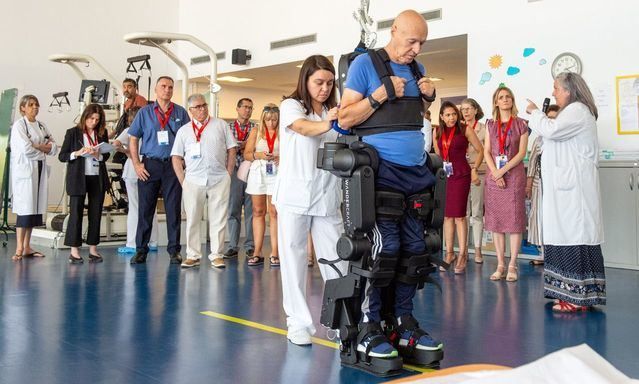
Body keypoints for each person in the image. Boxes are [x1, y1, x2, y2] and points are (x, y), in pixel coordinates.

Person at [338, 10, 443, 361]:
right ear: (394, 31)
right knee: (384, 250)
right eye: (411, 40)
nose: (416, 49)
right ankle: (368, 327)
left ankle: (401, 321)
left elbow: (413, 119)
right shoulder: (365, 65)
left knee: (415, 250)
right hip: (379, 174)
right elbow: (344, 118)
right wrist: (379, 95)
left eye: (422, 43)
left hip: (415, 174)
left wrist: (429, 96)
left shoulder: (418, 70)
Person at [272, 54, 348, 346]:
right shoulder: (291, 106)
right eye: (319, 82)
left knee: (337, 259)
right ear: (305, 80)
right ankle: (298, 323)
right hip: (294, 196)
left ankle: (343, 324)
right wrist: (331, 121)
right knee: (293, 258)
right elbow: (304, 129)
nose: (325, 88)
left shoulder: (334, 110)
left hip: (327, 195)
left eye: (330, 83)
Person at [526, 72, 606, 312]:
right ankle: (582, 295)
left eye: (556, 88)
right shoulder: (577, 112)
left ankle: (574, 298)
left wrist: (534, 112)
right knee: (571, 237)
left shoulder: (577, 111)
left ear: (568, 90)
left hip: (573, 195)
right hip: (568, 190)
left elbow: (551, 130)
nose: (553, 93)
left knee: (572, 238)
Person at [128, 76, 190, 265]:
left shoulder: (180, 112)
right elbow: (133, 139)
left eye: (170, 87)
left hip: (173, 165)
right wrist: (137, 164)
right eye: (163, 86)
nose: (167, 90)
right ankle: (141, 250)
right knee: (146, 209)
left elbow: (189, 137)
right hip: (150, 164)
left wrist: (185, 161)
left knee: (173, 209)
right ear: (156, 89)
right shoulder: (145, 113)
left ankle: (174, 251)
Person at [172, 94, 237, 269]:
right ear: (190, 110)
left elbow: (232, 149)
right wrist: (183, 181)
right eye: (198, 107)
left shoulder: (220, 125)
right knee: (192, 218)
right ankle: (193, 255)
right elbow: (176, 157)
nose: (202, 109)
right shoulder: (184, 130)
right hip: (193, 180)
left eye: (204, 105)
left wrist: (228, 174)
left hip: (218, 178)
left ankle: (217, 254)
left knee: (219, 217)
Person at [483, 86, 529, 282]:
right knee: (496, 223)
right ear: (496, 102)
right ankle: (500, 264)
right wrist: (495, 172)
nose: (505, 100)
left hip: (514, 177)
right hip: (494, 178)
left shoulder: (522, 124)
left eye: (508, 97)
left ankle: (512, 264)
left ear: (512, 100)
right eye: (501, 97)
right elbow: (486, 151)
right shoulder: (490, 124)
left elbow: (521, 153)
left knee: (515, 222)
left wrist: (503, 171)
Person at [433, 101, 483, 274]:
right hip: (445, 177)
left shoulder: (465, 129)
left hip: (461, 175)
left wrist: (475, 168)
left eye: (454, 114)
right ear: (441, 117)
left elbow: (480, 150)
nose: (451, 117)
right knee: (447, 216)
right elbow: (439, 154)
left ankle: (462, 254)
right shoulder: (437, 131)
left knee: (460, 217)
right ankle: (449, 253)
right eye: (447, 115)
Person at [58, 104, 110, 263]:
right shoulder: (72, 133)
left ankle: (93, 249)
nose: (93, 122)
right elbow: (62, 155)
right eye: (91, 118)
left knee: (96, 213)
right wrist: (77, 153)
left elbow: (106, 155)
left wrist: (98, 155)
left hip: (96, 177)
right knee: (76, 213)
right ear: (84, 117)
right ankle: (74, 251)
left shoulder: (102, 133)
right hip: (78, 178)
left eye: (97, 119)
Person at [10, 95, 57, 261]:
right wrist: (42, 148)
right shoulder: (19, 126)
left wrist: (39, 146)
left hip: (39, 170)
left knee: (34, 211)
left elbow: (54, 148)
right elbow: (26, 150)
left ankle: (27, 247)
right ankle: (19, 248)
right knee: (25, 210)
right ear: (23, 108)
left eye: (36, 104)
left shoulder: (42, 126)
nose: (35, 107)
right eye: (30, 105)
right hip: (26, 172)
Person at [113, 107, 159, 254]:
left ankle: (132, 243)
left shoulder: (129, 130)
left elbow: (116, 144)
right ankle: (152, 242)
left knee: (135, 208)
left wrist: (125, 150)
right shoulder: (154, 129)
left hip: (134, 171)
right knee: (152, 208)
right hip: (151, 170)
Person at [244, 104, 280, 267]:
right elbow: (247, 154)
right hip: (259, 171)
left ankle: (275, 252)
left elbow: (291, 152)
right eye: (268, 120)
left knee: (274, 212)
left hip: (277, 172)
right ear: (263, 119)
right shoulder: (256, 131)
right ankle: (257, 252)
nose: (271, 123)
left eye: (274, 120)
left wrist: (281, 157)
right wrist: (259, 155)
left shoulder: (284, 132)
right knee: (258, 211)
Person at [526, 104, 559, 266]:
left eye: (554, 118)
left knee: (557, 219)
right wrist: (528, 185)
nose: (551, 121)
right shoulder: (539, 140)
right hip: (539, 185)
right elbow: (532, 163)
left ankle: (556, 255)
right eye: (549, 118)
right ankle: (543, 253)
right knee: (539, 218)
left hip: (557, 186)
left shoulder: (562, 138)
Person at [225, 98, 255, 260]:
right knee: (233, 209)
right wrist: (242, 146)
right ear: (237, 109)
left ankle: (250, 246)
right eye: (245, 107)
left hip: (251, 171)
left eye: (250, 108)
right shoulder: (228, 127)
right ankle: (232, 246)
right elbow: (226, 147)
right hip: (235, 171)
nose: (248, 110)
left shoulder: (255, 129)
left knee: (252, 210)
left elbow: (256, 148)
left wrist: (243, 146)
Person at [461, 98, 487, 264]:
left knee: (476, 212)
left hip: (478, 172)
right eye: (463, 109)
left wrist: (475, 169)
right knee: (462, 213)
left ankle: (478, 250)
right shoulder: (458, 129)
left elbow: (486, 151)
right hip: (461, 173)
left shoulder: (484, 129)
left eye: (469, 108)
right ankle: (462, 250)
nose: (466, 112)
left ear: (476, 110)